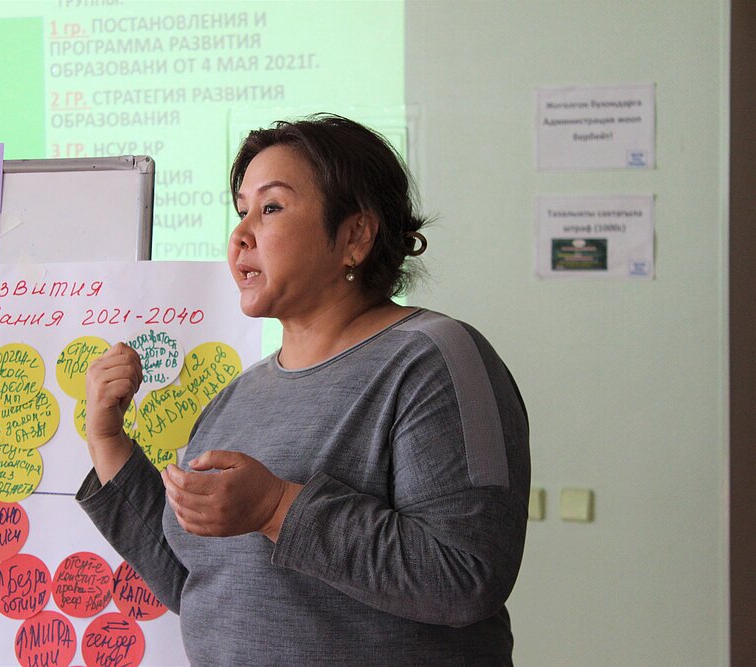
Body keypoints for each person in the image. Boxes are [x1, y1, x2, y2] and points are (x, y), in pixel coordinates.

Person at [77, 114, 530, 666]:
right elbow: (199, 586)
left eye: (270, 208)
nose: (240, 235)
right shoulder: (237, 397)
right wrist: (107, 441)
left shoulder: (436, 359)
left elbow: (466, 575)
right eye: (241, 211)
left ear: (355, 236)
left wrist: (276, 507)